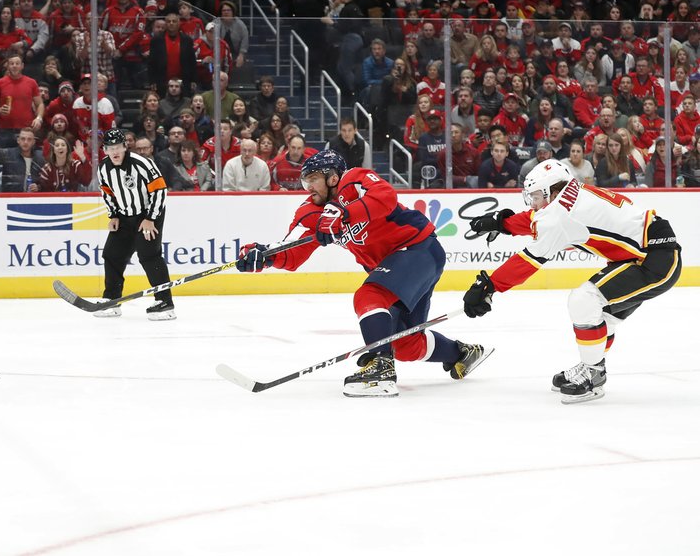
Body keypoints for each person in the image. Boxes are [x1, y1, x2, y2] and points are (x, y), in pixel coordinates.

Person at [235, 150, 491, 397]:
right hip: (401, 265)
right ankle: (462, 354)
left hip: (419, 249)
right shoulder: (311, 212)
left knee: (369, 296)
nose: (308, 187)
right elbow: (291, 253)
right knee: (405, 344)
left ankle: (381, 369)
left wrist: (344, 215)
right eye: (305, 182)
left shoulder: (354, 180)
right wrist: (263, 257)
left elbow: (386, 197)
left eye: (313, 179)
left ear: (332, 177)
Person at [463, 160, 681, 404]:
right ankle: (591, 366)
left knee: (584, 300)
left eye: (536, 196)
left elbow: (528, 260)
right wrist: (502, 224)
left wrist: (489, 285)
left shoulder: (560, 215)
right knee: (602, 318)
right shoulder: (571, 195)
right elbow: (539, 219)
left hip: (653, 260)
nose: (533, 203)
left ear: (553, 192)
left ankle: (593, 375)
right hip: (646, 253)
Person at [95, 128, 175, 321]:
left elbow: (160, 190)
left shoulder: (142, 164)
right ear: (104, 149)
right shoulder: (103, 168)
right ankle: (112, 300)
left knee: (149, 255)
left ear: (125, 146)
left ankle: (165, 303)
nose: (114, 151)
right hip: (123, 217)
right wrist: (113, 215)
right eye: (109, 148)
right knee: (112, 254)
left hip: (147, 215)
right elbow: (107, 192)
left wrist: (150, 219)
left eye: (117, 147)